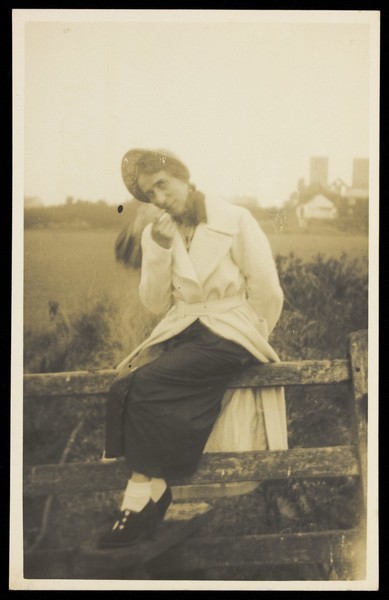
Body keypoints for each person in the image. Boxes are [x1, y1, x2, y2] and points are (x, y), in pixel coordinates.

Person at [98, 148, 287, 548]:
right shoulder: (158, 234)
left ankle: (138, 497)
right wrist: (161, 250)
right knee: (126, 385)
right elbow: (153, 302)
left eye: (163, 185)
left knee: (147, 384)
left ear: (183, 177)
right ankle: (154, 491)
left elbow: (267, 291)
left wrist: (252, 335)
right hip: (184, 328)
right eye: (151, 194)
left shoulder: (234, 219)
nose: (161, 199)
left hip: (231, 331)